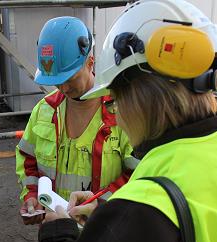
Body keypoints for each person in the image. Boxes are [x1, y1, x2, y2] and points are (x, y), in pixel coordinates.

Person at [33, 0, 217, 242]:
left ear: (136, 95)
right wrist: (107, 215)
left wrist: (58, 236)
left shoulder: (144, 210)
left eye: (114, 100)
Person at [16, 16, 137, 225]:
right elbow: (27, 159)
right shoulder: (44, 110)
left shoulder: (122, 111)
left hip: (107, 233)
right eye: (56, 82)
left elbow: (139, 174)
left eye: (69, 80)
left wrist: (101, 205)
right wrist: (32, 195)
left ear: (90, 62)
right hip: (57, 229)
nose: (63, 89)